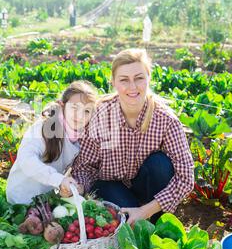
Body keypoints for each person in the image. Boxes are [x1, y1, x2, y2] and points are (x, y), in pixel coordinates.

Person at [71, 48, 194, 225]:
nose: (132, 87)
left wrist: (146, 210)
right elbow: (84, 167)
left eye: (139, 78)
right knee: (130, 223)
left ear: (149, 78)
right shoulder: (100, 115)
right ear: (113, 82)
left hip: (148, 188)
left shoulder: (165, 120)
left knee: (160, 164)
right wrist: (80, 187)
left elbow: (186, 177)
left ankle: (157, 220)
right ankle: (136, 219)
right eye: (124, 80)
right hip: (111, 186)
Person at [6, 81, 98, 205]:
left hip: (46, 199)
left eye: (86, 111)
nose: (80, 116)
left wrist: (72, 186)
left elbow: (82, 170)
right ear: (62, 105)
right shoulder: (43, 128)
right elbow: (26, 160)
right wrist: (58, 180)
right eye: (75, 108)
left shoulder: (81, 137)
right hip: (21, 197)